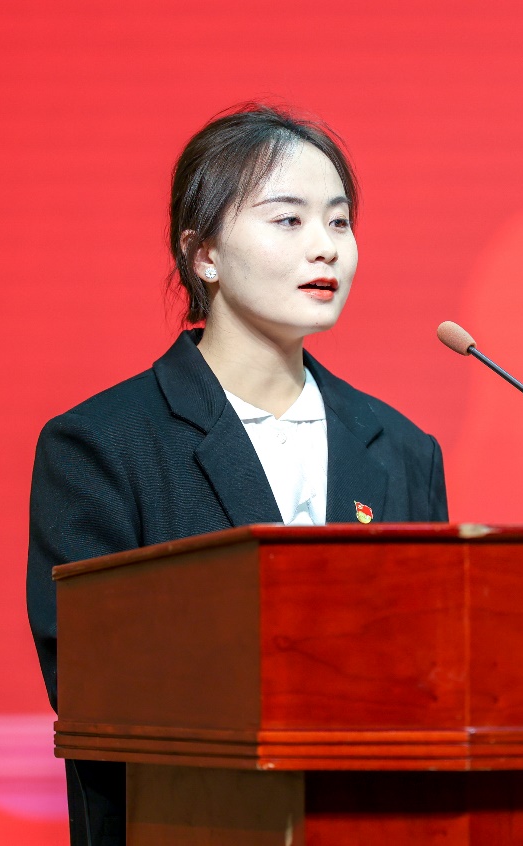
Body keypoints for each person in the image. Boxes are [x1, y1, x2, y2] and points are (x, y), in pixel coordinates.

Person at [25, 104, 448, 846]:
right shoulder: (100, 445)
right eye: (288, 220)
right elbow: (93, 686)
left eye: (340, 222)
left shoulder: (402, 450)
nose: (325, 247)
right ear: (203, 255)